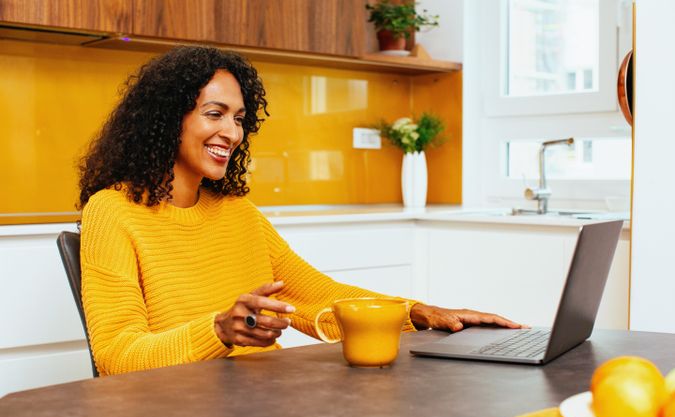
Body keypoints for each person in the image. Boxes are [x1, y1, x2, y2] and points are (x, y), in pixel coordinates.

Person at [78, 46, 522, 376]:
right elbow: (117, 356)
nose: (231, 132)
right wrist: (217, 331)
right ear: (165, 119)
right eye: (215, 114)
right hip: (180, 413)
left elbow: (318, 296)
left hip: (263, 401)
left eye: (238, 119)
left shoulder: (239, 213)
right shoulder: (112, 212)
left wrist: (420, 313)